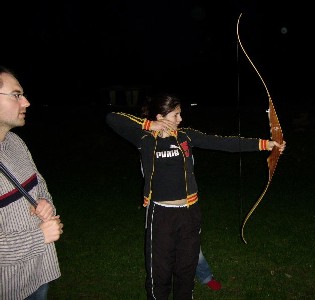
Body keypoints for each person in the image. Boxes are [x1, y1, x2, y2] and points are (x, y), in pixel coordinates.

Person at [106, 93, 285, 300]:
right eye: (176, 115)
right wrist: (149, 125)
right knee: (159, 270)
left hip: (190, 213)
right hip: (161, 214)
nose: (180, 120)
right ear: (160, 117)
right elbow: (112, 118)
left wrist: (266, 144)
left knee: (187, 267)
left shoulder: (186, 136)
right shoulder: (144, 138)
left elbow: (222, 142)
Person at [0, 66, 63, 300]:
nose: (26, 102)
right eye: (16, 95)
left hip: (38, 275)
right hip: (7, 288)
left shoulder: (15, 143)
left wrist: (44, 202)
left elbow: (41, 187)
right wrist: (39, 237)